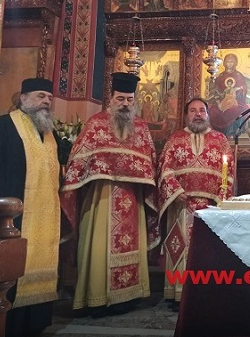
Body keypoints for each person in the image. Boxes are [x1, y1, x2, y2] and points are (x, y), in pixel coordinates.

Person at [60, 72, 159, 316]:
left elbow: (150, 161)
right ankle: (98, 297)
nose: (125, 104)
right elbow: (78, 160)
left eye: (130, 100)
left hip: (132, 197)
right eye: (120, 99)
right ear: (111, 99)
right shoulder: (95, 124)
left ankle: (129, 295)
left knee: (131, 245)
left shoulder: (141, 128)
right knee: (100, 245)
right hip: (101, 196)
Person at [0, 78, 60, 337]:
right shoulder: (2, 127)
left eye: (49, 98)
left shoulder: (49, 133)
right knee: (11, 269)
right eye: (40, 96)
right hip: (11, 217)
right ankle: (10, 324)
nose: (46, 101)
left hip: (45, 214)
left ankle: (35, 321)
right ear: (23, 98)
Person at [157, 98, 234, 306]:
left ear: (208, 115)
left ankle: (204, 294)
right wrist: (175, 190)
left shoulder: (220, 140)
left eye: (202, 110)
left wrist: (221, 196)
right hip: (181, 203)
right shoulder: (175, 139)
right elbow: (165, 167)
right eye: (193, 110)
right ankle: (179, 294)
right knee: (180, 247)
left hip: (211, 207)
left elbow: (228, 170)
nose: (198, 114)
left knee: (206, 249)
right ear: (186, 115)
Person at [208, 53, 250, 136]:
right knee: (213, 111)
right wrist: (219, 101)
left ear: (235, 63)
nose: (230, 64)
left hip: (236, 100)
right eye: (228, 62)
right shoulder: (221, 76)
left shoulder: (238, 75)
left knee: (237, 109)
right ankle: (217, 134)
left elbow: (244, 88)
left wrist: (238, 90)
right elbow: (216, 90)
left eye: (232, 62)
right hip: (221, 100)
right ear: (224, 63)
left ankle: (232, 132)